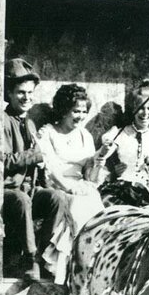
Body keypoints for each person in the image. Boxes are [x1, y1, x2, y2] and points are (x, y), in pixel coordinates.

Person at [0, 58, 69, 281]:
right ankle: (29, 260)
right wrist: (34, 156)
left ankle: (44, 257)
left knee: (56, 198)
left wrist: (44, 180)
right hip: (7, 192)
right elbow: (2, 160)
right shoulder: (1, 121)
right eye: (21, 92)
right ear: (9, 93)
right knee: (21, 200)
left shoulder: (28, 123)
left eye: (30, 93)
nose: (27, 98)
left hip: (29, 189)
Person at [36, 83, 111, 281]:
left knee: (94, 200)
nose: (80, 116)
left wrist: (99, 160)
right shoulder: (48, 133)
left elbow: (91, 176)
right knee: (78, 203)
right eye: (75, 111)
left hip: (81, 185)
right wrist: (71, 188)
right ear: (63, 109)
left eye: (83, 111)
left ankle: (91, 264)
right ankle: (68, 268)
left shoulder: (85, 135)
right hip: (57, 186)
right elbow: (49, 168)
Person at [98, 79, 149, 206]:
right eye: (140, 108)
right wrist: (112, 170)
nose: (145, 113)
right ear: (133, 110)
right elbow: (103, 155)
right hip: (123, 188)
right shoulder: (120, 133)